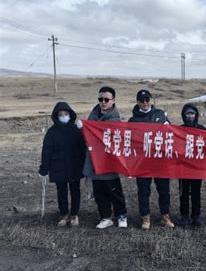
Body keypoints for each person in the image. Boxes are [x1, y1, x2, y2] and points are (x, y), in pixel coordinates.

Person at [82, 86, 128, 229]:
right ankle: (105, 217)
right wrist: (83, 127)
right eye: (100, 99)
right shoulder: (93, 116)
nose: (103, 102)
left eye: (106, 99)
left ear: (113, 100)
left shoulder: (115, 119)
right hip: (95, 160)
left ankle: (121, 215)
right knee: (99, 191)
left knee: (114, 190)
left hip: (109, 161)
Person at [129, 89, 174, 230]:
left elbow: (172, 135)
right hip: (142, 162)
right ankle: (145, 217)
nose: (145, 103)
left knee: (164, 190)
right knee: (143, 191)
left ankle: (165, 216)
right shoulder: (133, 120)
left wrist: (169, 127)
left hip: (160, 160)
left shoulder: (160, 115)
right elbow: (129, 140)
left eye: (147, 99)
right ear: (137, 102)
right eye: (142, 100)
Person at [39, 102, 86, 227]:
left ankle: (74, 214)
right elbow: (46, 151)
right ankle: (64, 214)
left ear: (70, 115)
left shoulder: (76, 130)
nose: (63, 116)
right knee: (61, 191)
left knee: (75, 190)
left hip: (75, 165)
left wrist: (86, 164)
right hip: (58, 166)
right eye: (61, 114)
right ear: (56, 116)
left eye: (66, 114)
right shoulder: (52, 132)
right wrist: (44, 167)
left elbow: (83, 148)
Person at [179, 103, 206, 227]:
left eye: (192, 114)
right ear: (184, 116)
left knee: (196, 191)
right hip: (183, 167)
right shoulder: (179, 130)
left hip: (197, 167)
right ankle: (184, 215)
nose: (190, 116)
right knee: (183, 192)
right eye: (188, 114)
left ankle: (196, 215)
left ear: (196, 115)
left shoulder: (202, 129)